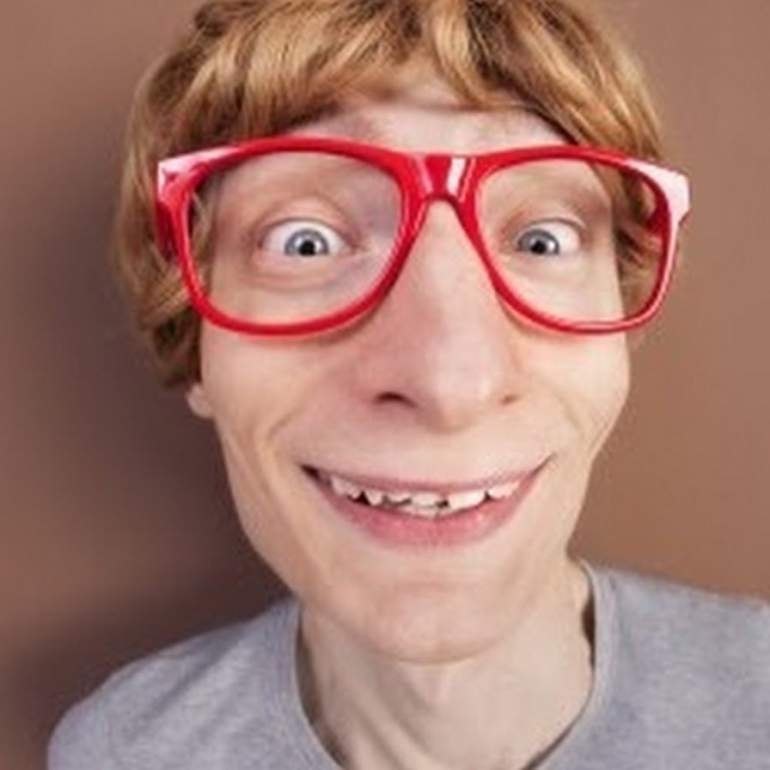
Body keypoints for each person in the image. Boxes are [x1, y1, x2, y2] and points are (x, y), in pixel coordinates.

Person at [48, 0, 769, 768]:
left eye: (541, 240)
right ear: (193, 341)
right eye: (305, 242)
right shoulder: (123, 753)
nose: (450, 382)